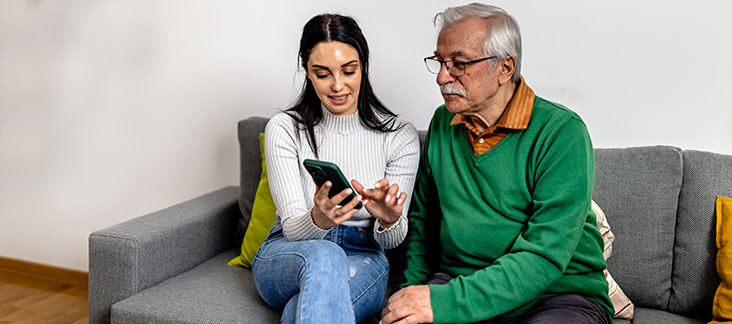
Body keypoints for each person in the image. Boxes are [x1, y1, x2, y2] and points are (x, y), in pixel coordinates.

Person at [380, 3, 613, 324]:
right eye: (439, 61)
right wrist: (413, 297)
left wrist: (443, 303)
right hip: (458, 280)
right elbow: (425, 223)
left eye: (459, 64)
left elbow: (544, 255)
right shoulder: (442, 123)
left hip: (558, 295)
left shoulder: (561, 132)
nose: (442, 77)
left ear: (505, 68)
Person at [251, 13, 420, 324]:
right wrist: (319, 219)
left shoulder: (399, 136)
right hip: (288, 253)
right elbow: (291, 227)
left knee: (296, 313)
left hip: (363, 255)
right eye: (323, 73)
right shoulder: (286, 129)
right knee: (325, 256)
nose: (338, 85)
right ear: (307, 72)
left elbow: (391, 240)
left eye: (349, 71)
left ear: (363, 67)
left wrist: (390, 219)